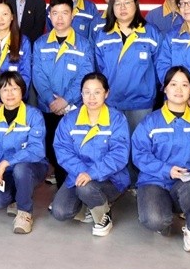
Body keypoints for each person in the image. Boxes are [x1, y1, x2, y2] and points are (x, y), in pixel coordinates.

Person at [132, 66, 190, 252]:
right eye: (173, 84)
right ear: (165, 89)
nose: (179, 89)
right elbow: (139, 154)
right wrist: (167, 170)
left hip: (186, 182)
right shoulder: (150, 121)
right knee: (155, 220)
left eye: (184, 85)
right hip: (154, 181)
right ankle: (172, 212)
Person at [50, 73, 130, 237]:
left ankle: (103, 215)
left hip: (111, 178)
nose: (91, 97)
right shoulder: (69, 120)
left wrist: (91, 173)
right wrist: (83, 172)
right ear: (81, 94)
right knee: (60, 211)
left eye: (97, 92)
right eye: (87, 92)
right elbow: (62, 149)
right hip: (78, 174)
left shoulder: (117, 119)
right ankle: (90, 204)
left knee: (85, 188)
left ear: (106, 93)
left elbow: (119, 154)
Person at [33, 0, 95, 186]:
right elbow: (38, 75)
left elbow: (85, 76)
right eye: (55, 13)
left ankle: (71, 190)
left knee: (73, 151)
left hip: (73, 109)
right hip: (48, 108)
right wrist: (51, 100)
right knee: (52, 149)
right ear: (49, 15)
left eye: (64, 13)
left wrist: (66, 100)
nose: (59, 18)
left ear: (73, 14)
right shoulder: (40, 44)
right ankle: (63, 190)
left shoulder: (84, 44)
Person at [0, 71, 47, 234]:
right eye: (5, 89)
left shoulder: (34, 116)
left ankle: (24, 212)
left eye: (14, 89)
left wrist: (5, 163)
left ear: (22, 91)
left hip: (31, 167)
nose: (9, 94)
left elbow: (36, 149)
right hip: (3, 172)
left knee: (21, 169)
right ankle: (18, 194)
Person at [94, 0, 161, 132]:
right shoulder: (103, 35)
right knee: (115, 143)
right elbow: (100, 68)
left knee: (140, 143)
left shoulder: (151, 33)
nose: (122, 7)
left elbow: (159, 68)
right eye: (117, 3)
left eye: (127, 2)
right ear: (112, 7)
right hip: (112, 101)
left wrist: (146, 87)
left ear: (135, 4)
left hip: (141, 103)